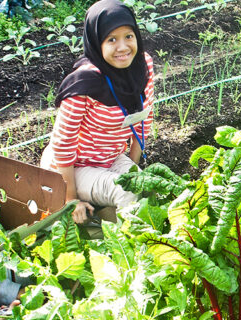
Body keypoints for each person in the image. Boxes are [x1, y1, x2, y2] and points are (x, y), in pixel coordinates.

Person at [40, 0, 155, 237]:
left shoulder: (143, 67)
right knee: (127, 191)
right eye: (111, 40)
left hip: (110, 157)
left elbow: (144, 119)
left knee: (146, 184)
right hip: (73, 168)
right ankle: (130, 255)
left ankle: (130, 237)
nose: (122, 47)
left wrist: (133, 167)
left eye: (128, 36)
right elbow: (63, 145)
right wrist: (70, 198)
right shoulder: (84, 83)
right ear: (96, 41)